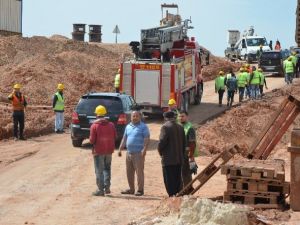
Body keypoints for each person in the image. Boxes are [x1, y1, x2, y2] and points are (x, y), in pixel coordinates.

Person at [118, 111, 150, 196]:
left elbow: (147, 138)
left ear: (140, 117)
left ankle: (140, 190)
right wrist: (120, 148)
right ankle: (131, 189)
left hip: (138, 153)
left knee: (139, 172)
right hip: (129, 153)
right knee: (129, 172)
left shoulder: (143, 127)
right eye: (133, 116)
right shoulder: (128, 126)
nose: (134, 117)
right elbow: (124, 138)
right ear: (131, 117)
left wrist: (144, 149)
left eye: (136, 116)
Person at [89, 105, 117, 196]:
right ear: (105, 114)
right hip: (109, 151)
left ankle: (100, 190)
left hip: (98, 151)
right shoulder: (111, 125)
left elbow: (92, 140)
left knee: (99, 170)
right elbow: (115, 137)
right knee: (107, 169)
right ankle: (107, 188)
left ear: (96, 115)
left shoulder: (94, 126)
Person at [158, 111, 186, 197]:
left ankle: (172, 197)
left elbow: (161, 143)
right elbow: (184, 144)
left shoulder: (165, 127)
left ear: (166, 118)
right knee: (177, 179)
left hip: (168, 160)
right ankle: (177, 196)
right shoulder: (180, 127)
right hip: (179, 159)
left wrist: (160, 152)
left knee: (169, 180)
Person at [178, 110, 198, 190]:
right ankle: (184, 189)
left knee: (186, 173)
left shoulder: (190, 128)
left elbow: (192, 143)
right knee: (182, 173)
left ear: (187, 117)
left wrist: (191, 155)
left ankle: (188, 189)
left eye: (182, 116)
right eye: (180, 116)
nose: (181, 118)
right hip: (180, 153)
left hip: (187, 154)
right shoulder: (180, 126)